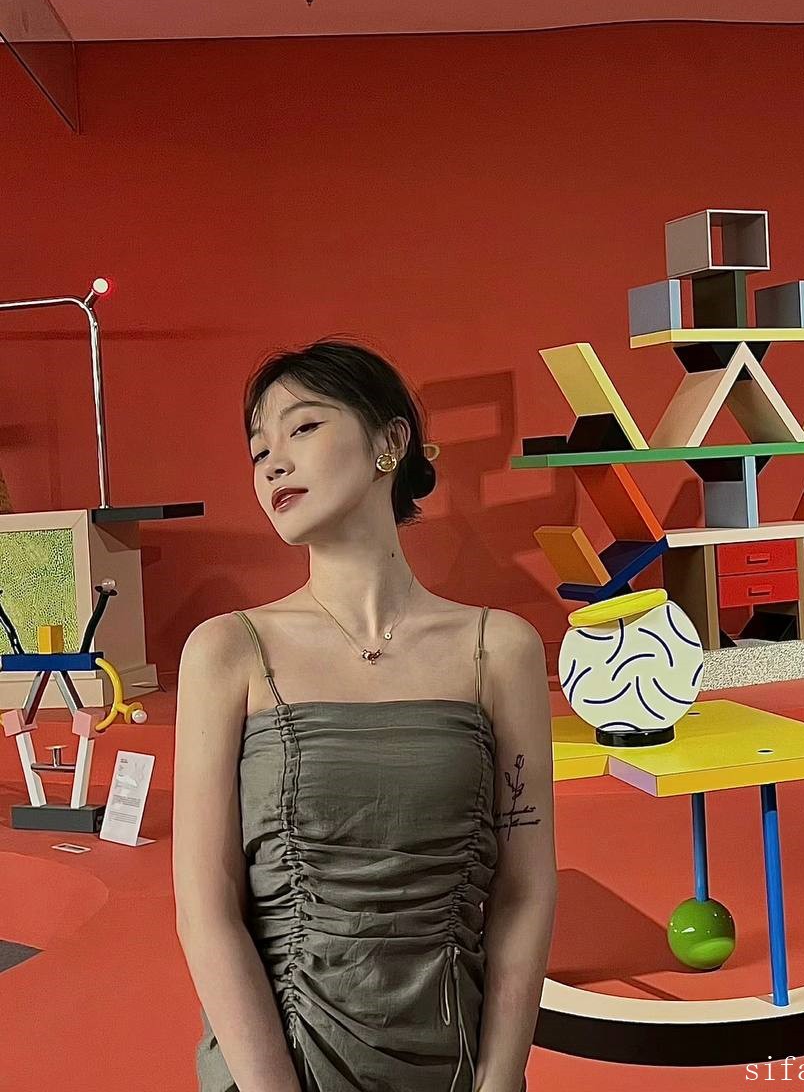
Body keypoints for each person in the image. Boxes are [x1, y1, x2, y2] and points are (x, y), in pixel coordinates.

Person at [173, 337, 557, 1092]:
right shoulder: (227, 651)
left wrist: (500, 1079)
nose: (273, 464)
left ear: (390, 441)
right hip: (280, 1062)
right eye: (259, 451)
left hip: (454, 1061)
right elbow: (205, 907)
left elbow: (525, 890)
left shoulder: (499, 649)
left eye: (303, 428)